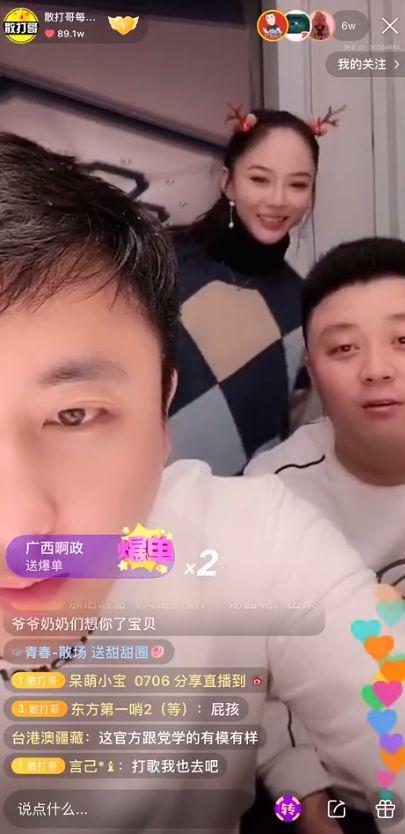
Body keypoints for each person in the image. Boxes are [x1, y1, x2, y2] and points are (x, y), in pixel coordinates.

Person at [0, 135, 404, 834]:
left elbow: (386, 704)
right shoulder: (201, 279)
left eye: (74, 415)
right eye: (343, 347)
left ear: (162, 408)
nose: (16, 531)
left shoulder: (250, 535)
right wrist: (298, 782)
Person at [246, 237, 405, 829]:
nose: (377, 369)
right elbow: (261, 678)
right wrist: (306, 804)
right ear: (312, 371)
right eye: (344, 348)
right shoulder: (273, 493)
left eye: (403, 340)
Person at [170, 107, 331, 476]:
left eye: (297, 184)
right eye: (260, 179)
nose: (278, 199)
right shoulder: (161, 263)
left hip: (246, 504)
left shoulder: (306, 307)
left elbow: (299, 441)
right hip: (141, 496)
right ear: (228, 182)